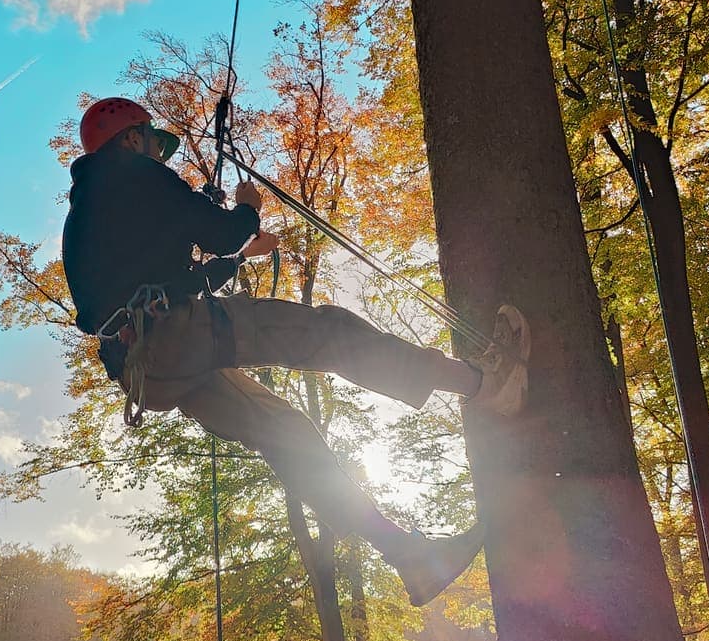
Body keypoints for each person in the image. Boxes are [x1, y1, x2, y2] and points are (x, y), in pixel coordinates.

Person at [61, 97, 530, 606]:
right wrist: (247, 210)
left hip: (147, 373)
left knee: (287, 436)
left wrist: (241, 256)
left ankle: (407, 557)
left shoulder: (85, 216)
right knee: (327, 334)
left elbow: (172, 281)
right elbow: (220, 233)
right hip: (180, 334)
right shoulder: (134, 174)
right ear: (131, 139)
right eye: (153, 142)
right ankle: (485, 384)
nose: (159, 155)